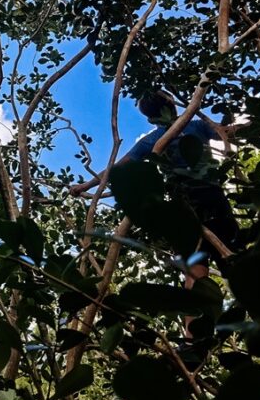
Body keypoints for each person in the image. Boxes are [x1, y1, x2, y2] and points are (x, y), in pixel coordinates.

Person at [70, 90, 240, 337]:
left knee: (195, 270)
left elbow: (118, 168)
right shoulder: (190, 127)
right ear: (172, 104)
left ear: (151, 119)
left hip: (183, 207)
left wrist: (85, 185)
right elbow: (229, 133)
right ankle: (256, 316)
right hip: (207, 197)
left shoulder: (156, 139)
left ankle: (192, 340)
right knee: (230, 261)